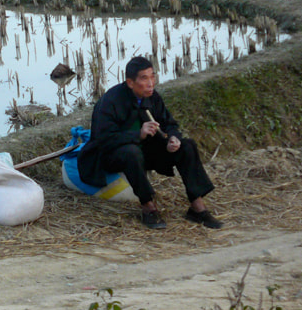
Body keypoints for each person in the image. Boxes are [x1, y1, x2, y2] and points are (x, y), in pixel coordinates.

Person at [77, 56, 222, 229]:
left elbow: (170, 124)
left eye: (152, 76)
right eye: (144, 78)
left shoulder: (152, 97)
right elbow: (104, 139)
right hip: (111, 155)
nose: (150, 83)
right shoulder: (110, 101)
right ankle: (148, 207)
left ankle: (197, 207)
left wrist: (172, 138)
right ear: (130, 82)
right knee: (131, 152)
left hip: (143, 151)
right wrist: (138, 134)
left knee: (187, 145)